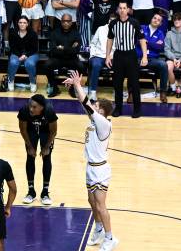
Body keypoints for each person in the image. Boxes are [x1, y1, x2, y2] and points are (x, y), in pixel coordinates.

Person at [62, 70, 117, 251]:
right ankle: (99, 228)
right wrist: (75, 87)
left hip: (100, 169)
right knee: (92, 202)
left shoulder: (103, 123)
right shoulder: (95, 120)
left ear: (102, 111)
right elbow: (83, 102)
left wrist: (79, 84)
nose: (93, 105)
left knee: (101, 205)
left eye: (97, 105)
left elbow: (86, 103)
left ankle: (110, 238)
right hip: (90, 167)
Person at [106, 1, 147, 118]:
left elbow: (142, 40)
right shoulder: (113, 23)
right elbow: (110, 39)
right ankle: (118, 109)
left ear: (128, 10)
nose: (123, 10)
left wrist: (144, 56)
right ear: (118, 10)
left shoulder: (134, 23)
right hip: (118, 55)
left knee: (134, 83)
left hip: (131, 55)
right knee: (117, 84)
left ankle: (137, 109)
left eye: (125, 8)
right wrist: (108, 56)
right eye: (120, 8)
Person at [17, 94, 57, 206]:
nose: (31, 109)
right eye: (30, 106)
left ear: (41, 107)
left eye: (34, 107)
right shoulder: (25, 110)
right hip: (30, 131)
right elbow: (23, 130)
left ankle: (45, 192)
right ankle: (31, 191)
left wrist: (46, 147)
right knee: (30, 156)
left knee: (47, 157)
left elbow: (53, 132)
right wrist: (30, 146)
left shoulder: (49, 111)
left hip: (46, 131)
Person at [46, 14, 84, 97]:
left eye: (68, 21)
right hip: (58, 58)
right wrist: (70, 48)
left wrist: (62, 48)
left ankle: (73, 88)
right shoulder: (55, 33)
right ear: (61, 22)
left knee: (81, 66)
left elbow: (76, 51)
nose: (66, 23)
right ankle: (54, 87)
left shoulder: (76, 34)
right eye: (64, 21)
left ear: (71, 22)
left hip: (71, 59)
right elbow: (53, 50)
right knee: (47, 65)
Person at [7, 16, 39, 93]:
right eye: (20, 22)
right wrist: (19, 55)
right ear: (17, 24)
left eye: (24, 23)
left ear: (27, 24)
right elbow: (12, 48)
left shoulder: (33, 34)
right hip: (16, 53)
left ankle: (33, 82)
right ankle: (10, 81)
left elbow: (34, 49)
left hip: (31, 54)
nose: (22, 24)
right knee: (13, 62)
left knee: (29, 63)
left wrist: (26, 55)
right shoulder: (13, 33)